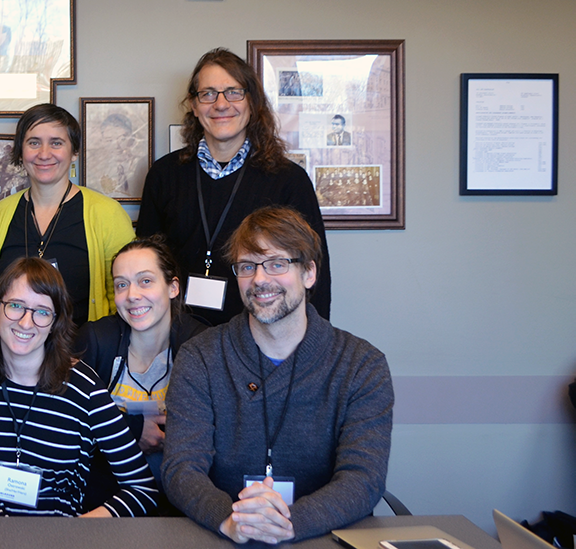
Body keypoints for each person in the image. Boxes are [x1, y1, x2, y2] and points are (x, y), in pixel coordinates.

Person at [162, 206, 393, 543]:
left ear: (309, 273)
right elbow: (182, 468)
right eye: (247, 266)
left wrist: (286, 524)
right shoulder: (200, 357)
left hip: (323, 537)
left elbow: (363, 478)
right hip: (224, 536)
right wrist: (230, 519)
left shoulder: (362, 365)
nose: (259, 279)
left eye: (277, 263)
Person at [0, 258, 157, 519]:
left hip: (61, 538)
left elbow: (141, 489)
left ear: (56, 322)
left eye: (42, 312)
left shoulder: (84, 387)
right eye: (15, 306)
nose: (25, 322)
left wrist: (75, 533)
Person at [136, 48, 331, 327]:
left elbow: (315, 274)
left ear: (251, 102)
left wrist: (314, 340)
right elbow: (147, 264)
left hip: (264, 335)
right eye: (208, 93)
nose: (221, 104)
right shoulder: (164, 175)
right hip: (180, 334)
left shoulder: (289, 180)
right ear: (194, 104)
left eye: (233, 92)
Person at [75, 236, 209, 513]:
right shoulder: (96, 339)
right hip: (102, 499)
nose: (132, 294)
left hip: (180, 503)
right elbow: (66, 420)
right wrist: (133, 427)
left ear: (173, 287)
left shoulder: (202, 345)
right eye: (121, 284)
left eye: (145, 281)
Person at [0, 103, 134, 326]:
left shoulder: (108, 214)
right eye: (34, 143)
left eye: (56, 143)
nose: (44, 154)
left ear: (74, 152)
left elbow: (123, 296)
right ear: (21, 152)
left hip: (83, 354)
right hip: (12, 353)